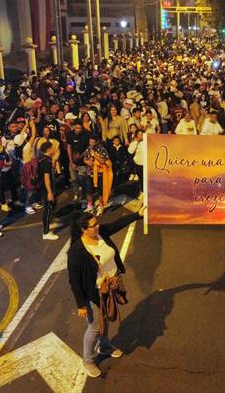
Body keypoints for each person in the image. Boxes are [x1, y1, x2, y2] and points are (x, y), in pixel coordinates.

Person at [67, 205, 145, 378]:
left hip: (111, 285)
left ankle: (105, 346)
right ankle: (87, 360)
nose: (98, 226)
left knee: (107, 317)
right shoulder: (76, 252)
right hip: (94, 293)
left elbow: (118, 223)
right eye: (93, 225)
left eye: (97, 223)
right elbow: (74, 281)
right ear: (83, 230)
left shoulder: (100, 234)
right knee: (94, 327)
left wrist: (137, 215)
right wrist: (81, 305)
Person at [39, 141, 59, 240]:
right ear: (48, 149)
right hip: (46, 188)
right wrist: (50, 192)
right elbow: (46, 178)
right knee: (48, 209)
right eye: (52, 148)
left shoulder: (43, 159)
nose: (53, 149)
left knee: (51, 207)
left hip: (44, 187)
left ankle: (49, 224)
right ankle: (46, 232)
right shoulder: (46, 162)